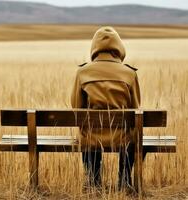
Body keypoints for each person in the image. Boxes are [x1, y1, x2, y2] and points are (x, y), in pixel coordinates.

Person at [71, 26, 141, 190]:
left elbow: (76, 108)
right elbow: (136, 108)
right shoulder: (130, 74)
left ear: (94, 47)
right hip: (122, 138)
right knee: (131, 135)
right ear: (119, 47)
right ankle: (124, 181)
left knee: (88, 134)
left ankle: (93, 182)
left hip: (91, 138)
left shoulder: (82, 72)